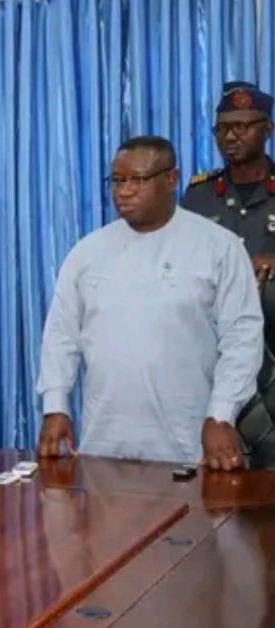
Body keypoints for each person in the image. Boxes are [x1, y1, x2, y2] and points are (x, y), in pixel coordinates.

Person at [36, 136, 263, 470]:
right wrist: (55, 406)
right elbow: (61, 334)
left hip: (186, 445)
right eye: (117, 180)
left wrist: (221, 415)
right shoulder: (89, 252)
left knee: (188, 522)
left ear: (171, 180)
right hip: (104, 446)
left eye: (137, 180)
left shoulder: (218, 247)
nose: (123, 191)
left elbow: (242, 338)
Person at [183, 81, 275, 280]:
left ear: (267, 130)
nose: (230, 137)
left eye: (240, 127)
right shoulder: (199, 194)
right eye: (221, 129)